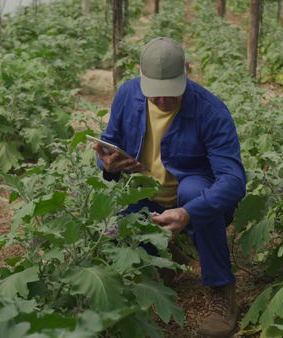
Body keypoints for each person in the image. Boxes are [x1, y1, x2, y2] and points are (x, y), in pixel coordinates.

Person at [92, 37, 246, 337]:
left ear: (186, 74)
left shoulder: (210, 110)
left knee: (195, 191)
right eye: (155, 94)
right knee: (116, 217)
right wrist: (107, 164)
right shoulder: (127, 94)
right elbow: (109, 141)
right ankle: (166, 257)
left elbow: (233, 180)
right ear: (141, 78)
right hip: (144, 197)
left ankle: (221, 289)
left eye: (171, 94)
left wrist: (188, 213)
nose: (163, 101)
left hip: (189, 200)